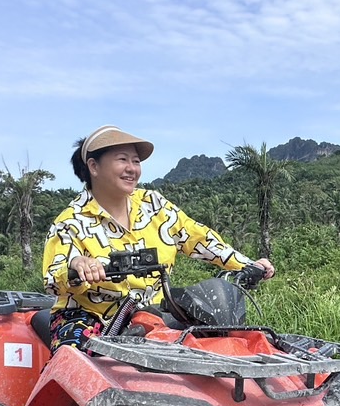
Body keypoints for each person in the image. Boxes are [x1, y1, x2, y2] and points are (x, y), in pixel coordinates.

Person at [42, 125, 275, 350]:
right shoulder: (71, 221)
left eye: (136, 161)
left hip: (153, 315)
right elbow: (54, 278)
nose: (132, 168)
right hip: (89, 316)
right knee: (77, 362)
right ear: (93, 166)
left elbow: (199, 238)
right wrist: (78, 265)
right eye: (123, 159)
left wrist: (247, 265)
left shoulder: (154, 205)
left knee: (212, 345)